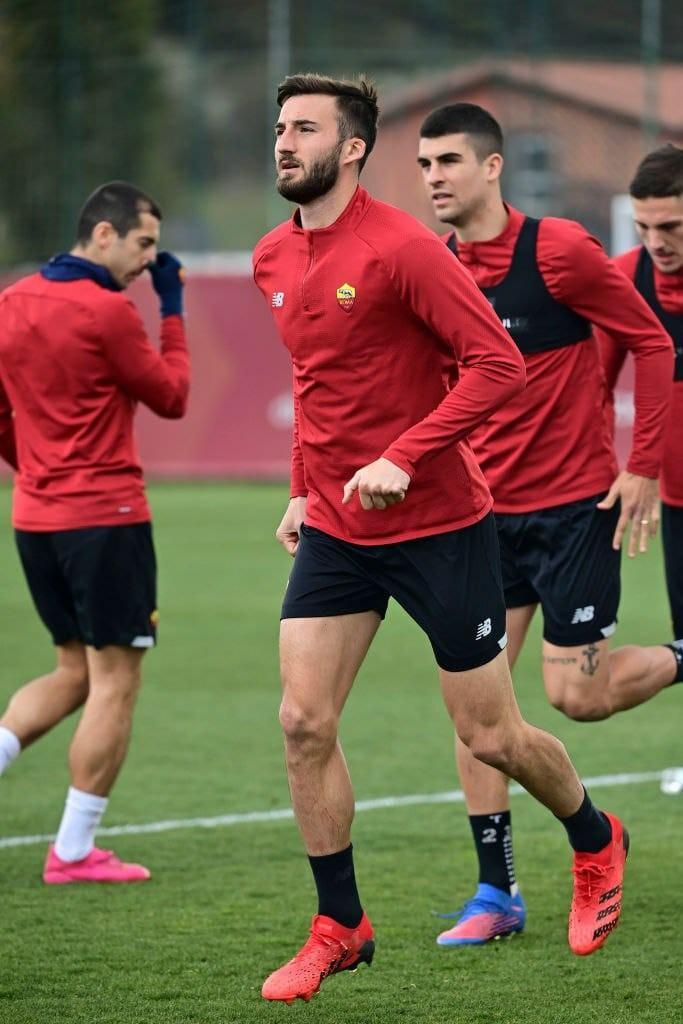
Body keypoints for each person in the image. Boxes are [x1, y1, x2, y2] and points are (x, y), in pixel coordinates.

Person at [253, 73, 629, 1006]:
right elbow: (315, 383)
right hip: (339, 526)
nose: (283, 142)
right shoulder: (271, 255)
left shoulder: (407, 249)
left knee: (491, 735)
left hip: (441, 526)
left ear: (350, 149)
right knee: (302, 722)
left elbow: (496, 364)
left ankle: (593, 839)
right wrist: (307, 487)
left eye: (304, 129)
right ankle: (340, 925)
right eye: (277, 128)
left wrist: (405, 457)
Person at [416, 103, 678, 947]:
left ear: (493, 167)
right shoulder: (433, 267)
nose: (431, 178)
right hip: (479, 518)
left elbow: (649, 343)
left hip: (572, 511)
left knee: (576, 697)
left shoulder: (559, 251)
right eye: (423, 164)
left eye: (447, 160)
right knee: (475, 712)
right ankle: (496, 894)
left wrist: (640, 462)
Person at [0, 181, 189, 884]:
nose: (148, 261)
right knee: (116, 681)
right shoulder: (108, 311)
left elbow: (0, 415)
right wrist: (171, 308)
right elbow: (171, 397)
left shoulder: (11, 301)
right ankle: (74, 852)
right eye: (143, 245)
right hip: (104, 519)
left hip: (35, 517)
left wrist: (42, 471)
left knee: (72, 671)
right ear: (102, 235)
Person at [598, 144, 683, 640]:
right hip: (675, 505)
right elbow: (594, 389)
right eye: (643, 227)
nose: (655, 241)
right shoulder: (625, 278)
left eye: (669, 227)